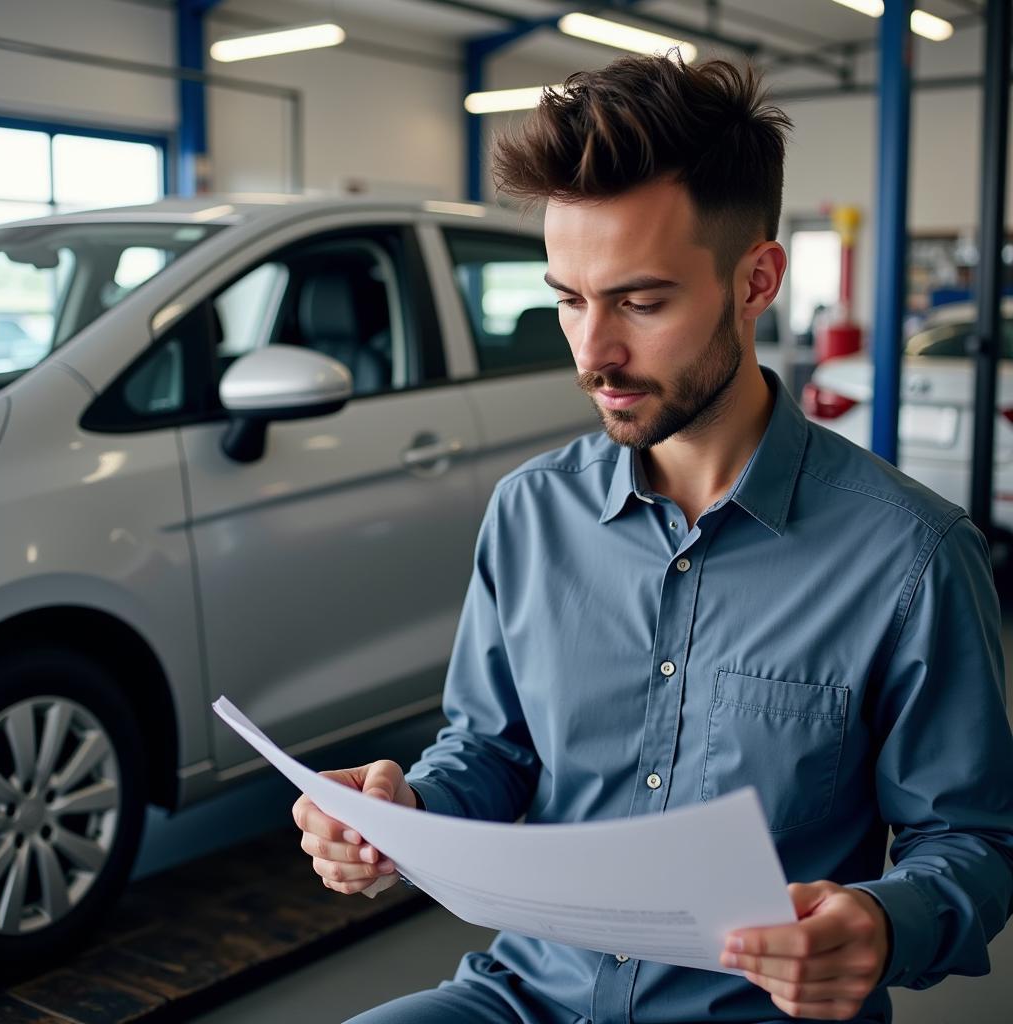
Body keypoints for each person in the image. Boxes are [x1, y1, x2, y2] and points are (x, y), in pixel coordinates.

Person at [293, 54, 1013, 1024]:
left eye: (640, 301)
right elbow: (491, 749)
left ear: (756, 279)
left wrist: (883, 922)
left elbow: (970, 837)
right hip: (525, 996)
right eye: (568, 298)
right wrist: (403, 811)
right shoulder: (528, 513)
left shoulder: (910, 557)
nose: (593, 353)